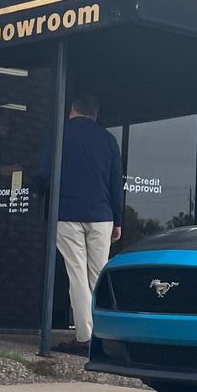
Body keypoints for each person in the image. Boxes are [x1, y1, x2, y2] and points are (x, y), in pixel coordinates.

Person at [38, 94, 123, 356]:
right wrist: (118, 221)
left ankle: (85, 337)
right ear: (95, 114)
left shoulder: (60, 133)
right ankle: (105, 335)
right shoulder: (108, 139)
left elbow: (43, 174)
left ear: (72, 110)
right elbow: (115, 182)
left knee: (76, 274)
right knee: (98, 275)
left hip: (67, 213)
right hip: (102, 215)